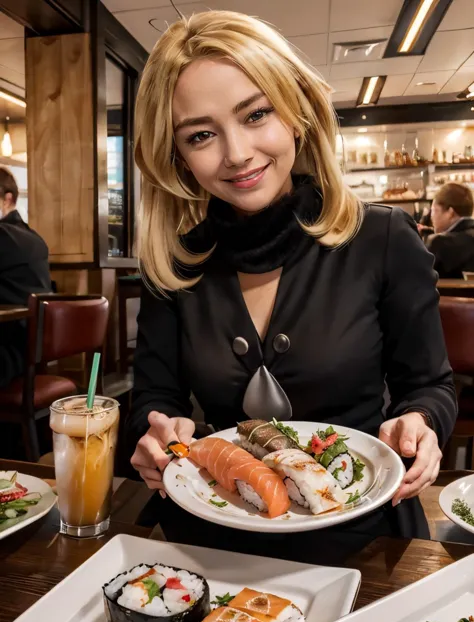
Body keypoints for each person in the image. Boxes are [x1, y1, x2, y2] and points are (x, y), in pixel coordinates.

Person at [126, 11, 457, 565]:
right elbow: (153, 400)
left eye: (256, 114)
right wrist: (156, 433)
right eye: (201, 135)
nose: (236, 152)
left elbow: (429, 385)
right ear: (177, 157)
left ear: (297, 114)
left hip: (364, 538)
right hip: (214, 538)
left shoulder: (382, 237)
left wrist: (421, 422)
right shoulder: (174, 265)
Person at [0, 167, 51, 388]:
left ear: (7, 198)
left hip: (8, 354)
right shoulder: (34, 237)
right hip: (30, 351)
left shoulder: (5, 236)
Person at [427, 183, 474, 278]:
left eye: (433, 210)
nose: (431, 216)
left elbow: (418, 280)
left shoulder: (440, 243)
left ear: (450, 212)